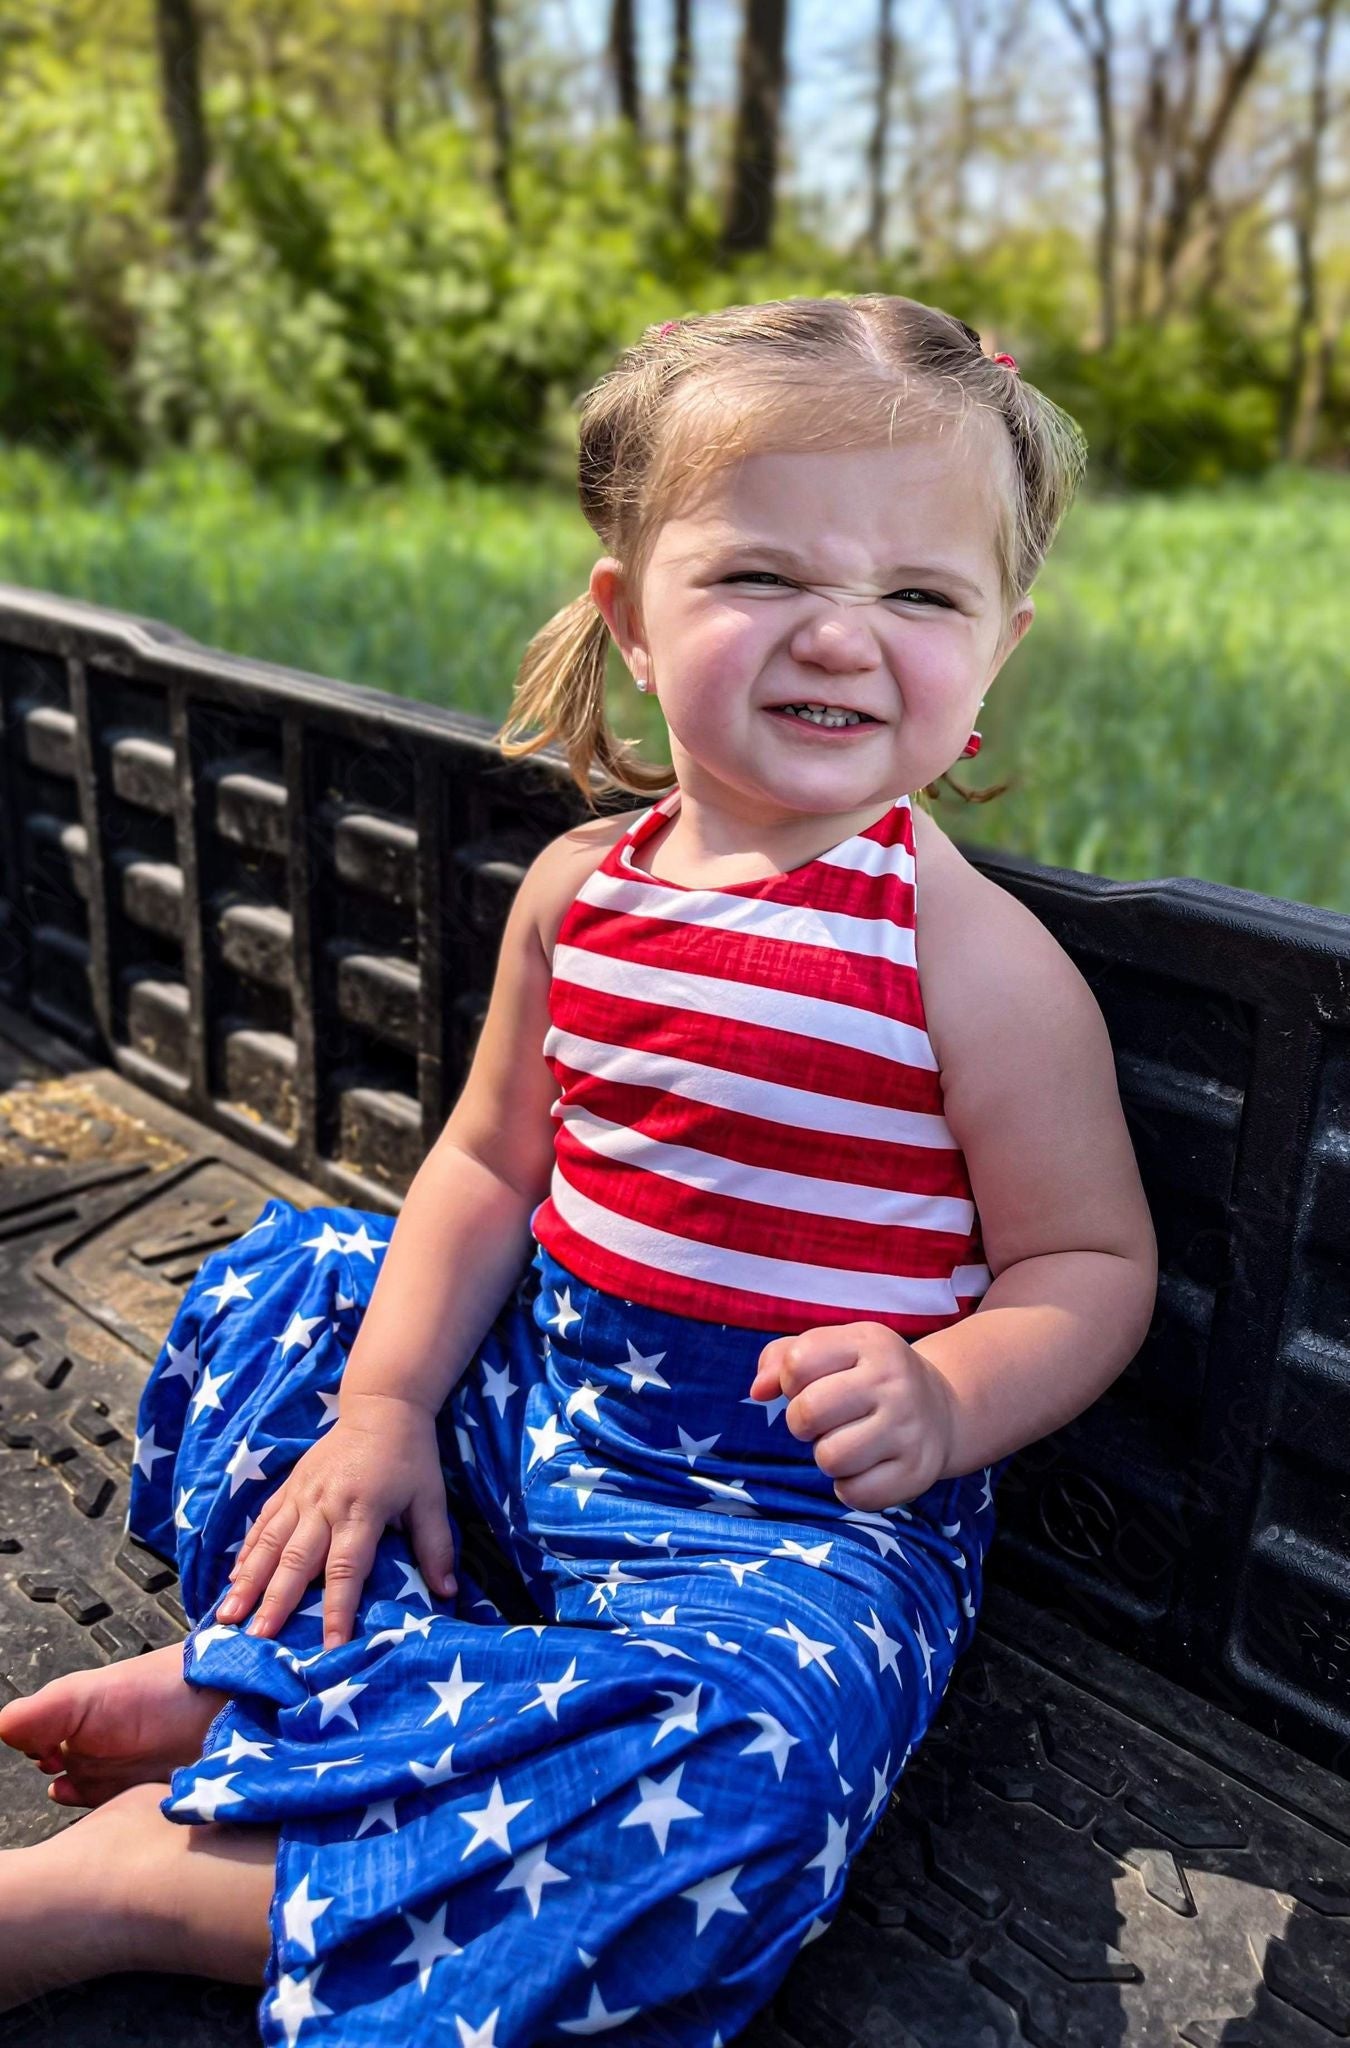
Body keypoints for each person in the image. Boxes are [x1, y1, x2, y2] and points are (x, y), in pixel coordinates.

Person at [0, 295, 1158, 2044]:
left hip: (784, 1526)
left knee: (750, 1778)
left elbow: (1088, 1266)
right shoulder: (585, 889)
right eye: (764, 578)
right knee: (296, 1285)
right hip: (538, 1414)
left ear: (996, 649)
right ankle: (319, 1672)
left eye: (918, 597)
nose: (843, 640)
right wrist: (389, 1409)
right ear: (629, 618)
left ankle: (168, 1874)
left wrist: (942, 1393)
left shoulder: (965, 959)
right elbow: (480, 1166)